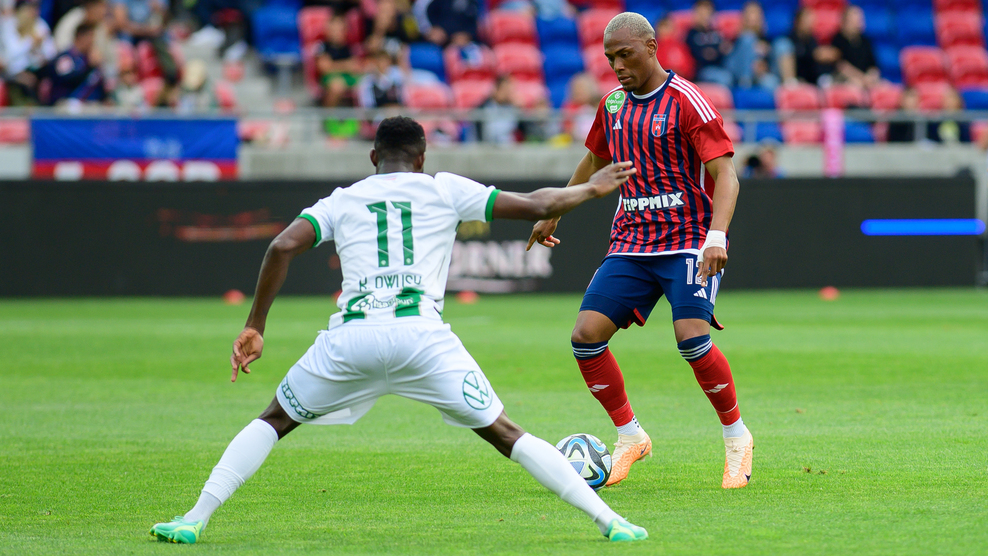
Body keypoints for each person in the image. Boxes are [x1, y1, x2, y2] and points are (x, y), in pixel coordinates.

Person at [148, 116, 648, 545]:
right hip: (421, 341)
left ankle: (194, 519)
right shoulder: (443, 188)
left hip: (351, 340)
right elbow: (538, 204)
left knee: (274, 420)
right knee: (506, 433)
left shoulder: (342, 199)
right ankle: (612, 522)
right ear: (422, 157)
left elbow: (281, 246)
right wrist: (592, 187)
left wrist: (255, 325)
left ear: (373, 157)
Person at [526, 12, 753, 489]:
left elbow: (725, 173)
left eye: (625, 54)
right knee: (585, 336)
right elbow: (594, 158)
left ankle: (736, 438)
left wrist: (717, 236)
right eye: (610, 58)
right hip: (632, 241)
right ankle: (630, 436)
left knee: (691, 338)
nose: (617, 66)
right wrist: (555, 210)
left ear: (651, 47)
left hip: (688, 239)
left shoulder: (687, 100)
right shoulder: (612, 105)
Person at [0, 0, 57, 105]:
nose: (33, 12)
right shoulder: (9, 25)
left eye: (35, 8)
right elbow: (10, 57)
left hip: (37, 71)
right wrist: (30, 43)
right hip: (13, 75)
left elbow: (51, 53)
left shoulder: (40, 24)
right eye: (29, 8)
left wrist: (40, 51)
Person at [44, 22, 108, 105]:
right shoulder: (66, 58)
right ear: (80, 36)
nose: (92, 41)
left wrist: (98, 67)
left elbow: (99, 85)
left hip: (89, 104)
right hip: (65, 103)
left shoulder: (90, 59)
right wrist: (89, 67)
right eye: (90, 37)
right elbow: (66, 81)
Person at [775, 8, 839, 85]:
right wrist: (815, 54)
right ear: (798, 22)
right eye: (807, 21)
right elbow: (802, 56)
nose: (810, 25)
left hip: (812, 78)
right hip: (796, 77)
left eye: (812, 21)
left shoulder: (812, 39)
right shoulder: (790, 40)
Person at [726, 1, 779, 90]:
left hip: (757, 74)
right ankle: (745, 82)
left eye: (756, 13)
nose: (753, 16)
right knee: (748, 38)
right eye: (750, 13)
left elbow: (766, 63)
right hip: (736, 72)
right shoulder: (736, 36)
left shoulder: (765, 38)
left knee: (771, 82)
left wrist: (763, 66)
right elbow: (730, 59)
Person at [315, 14, 362, 107]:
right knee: (337, 86)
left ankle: (364, 115)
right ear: (328, 30)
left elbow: (355, 66)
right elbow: (324, 68)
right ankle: (328, 114)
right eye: (334, 30)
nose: (336, 33)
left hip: (348, 77)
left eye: (340, 30)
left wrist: (334, 65)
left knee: (367, 83)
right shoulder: (322, 46)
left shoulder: (348, 47)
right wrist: (346, 65)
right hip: (330, 77)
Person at [684, 0, 733, 88]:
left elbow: (725, 50)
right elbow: (699, 55)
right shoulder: (691, 34)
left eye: (707, 14)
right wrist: (717, 51)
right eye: (701, 14)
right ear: (695, 14)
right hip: (703, 70)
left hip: (723, 66)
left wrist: (715, 52)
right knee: (725, 78)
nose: (704, 17)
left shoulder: (717, 32)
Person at [830, 5, 880, 88]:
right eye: (855, 20)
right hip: (845, 79)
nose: (859, 23)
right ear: (845, 22)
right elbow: (841, 66)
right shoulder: (837, 40)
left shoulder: (865, 41)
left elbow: (873, 65)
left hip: (866, 80)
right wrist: (863, 78)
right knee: (855, 85)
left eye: (860, 19)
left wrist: (872, 76)